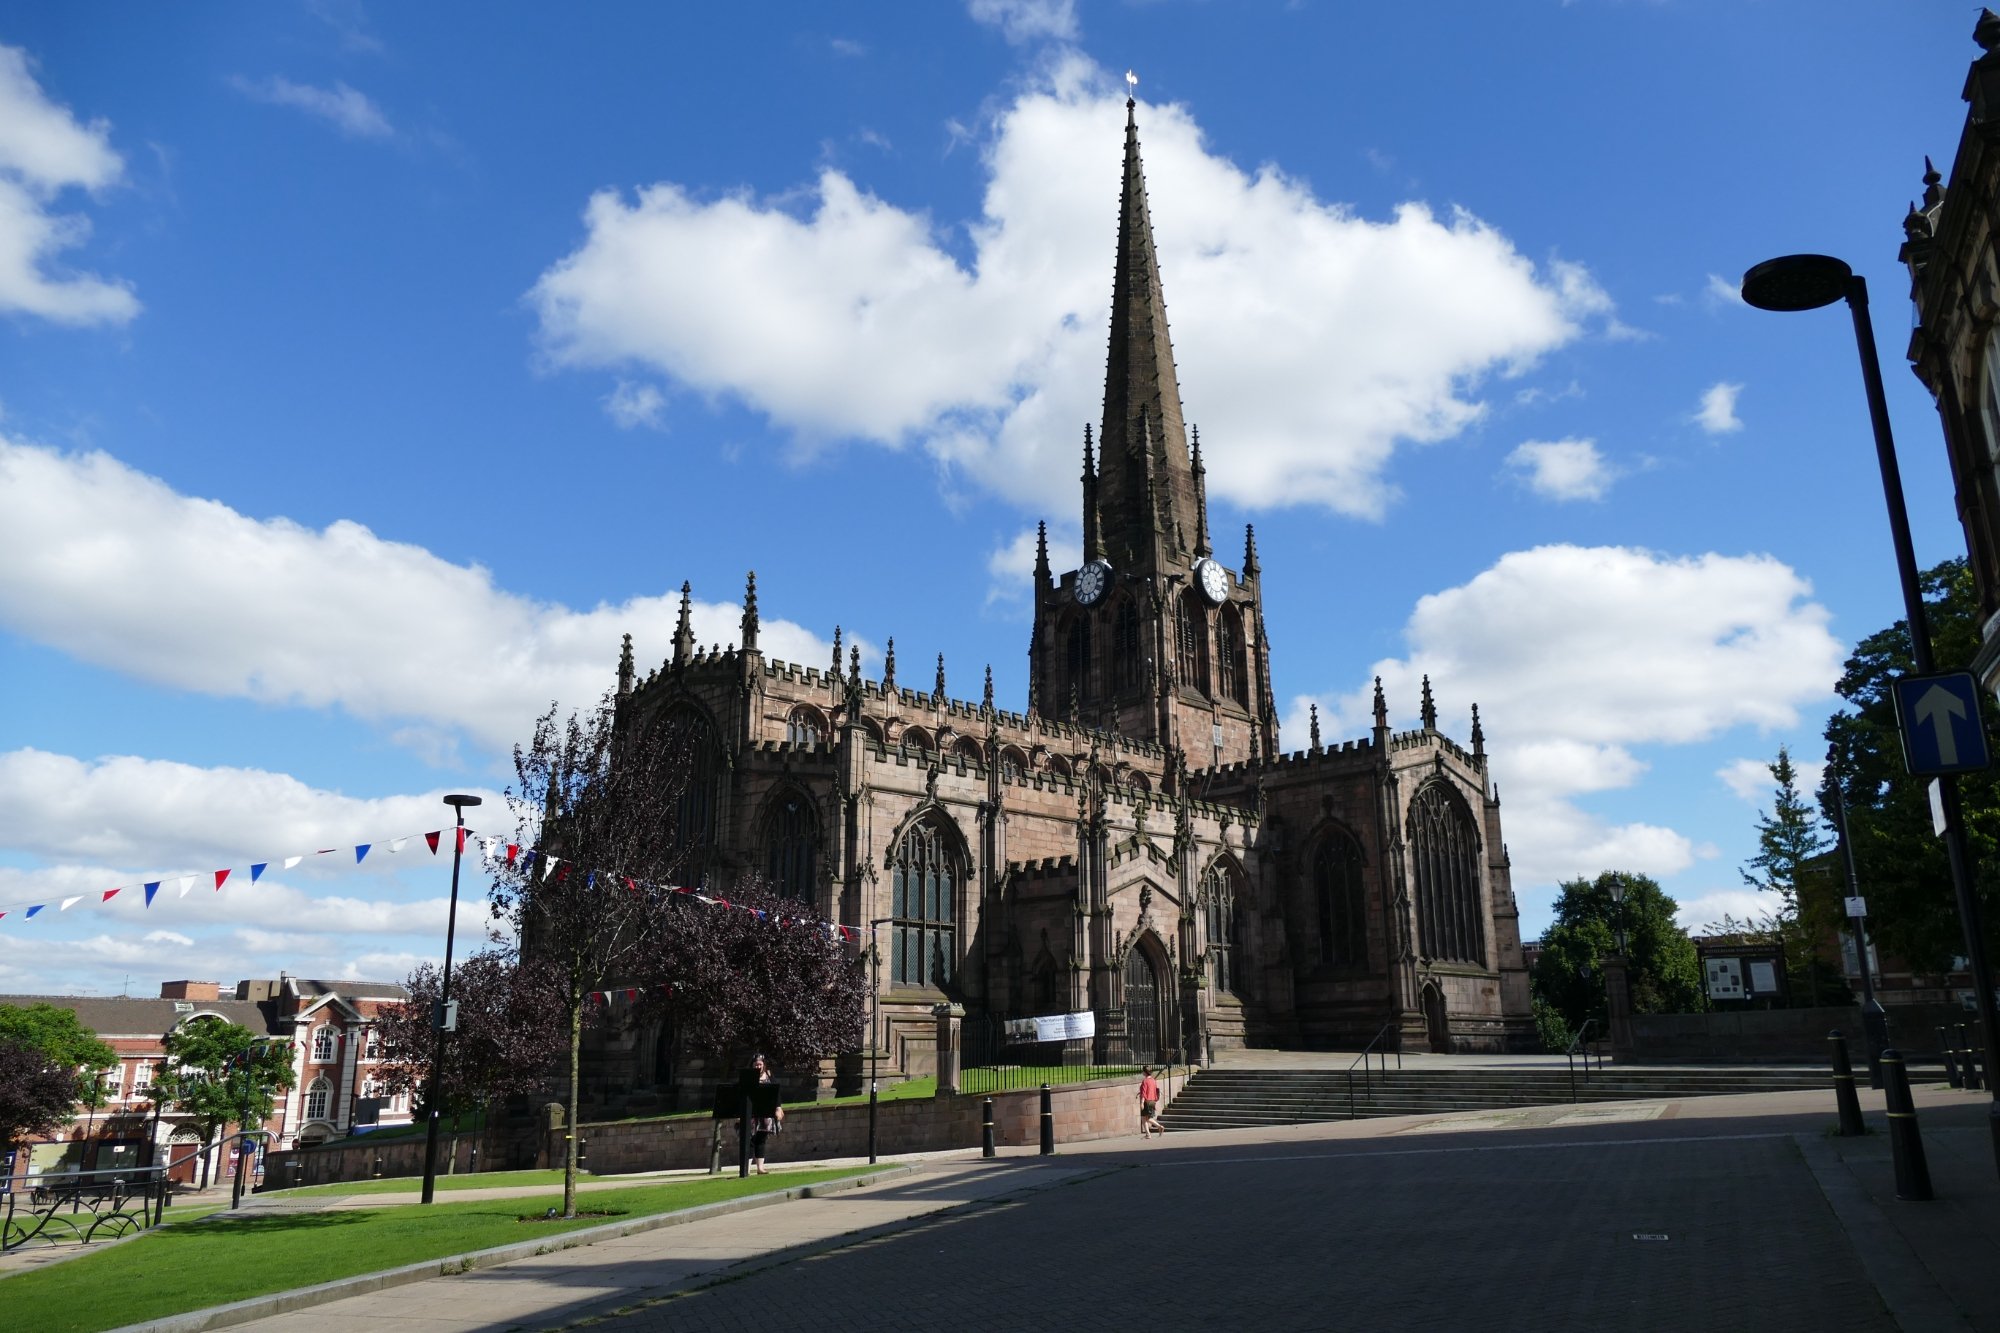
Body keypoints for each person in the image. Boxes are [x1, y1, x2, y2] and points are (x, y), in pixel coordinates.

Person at [748, 1053, 784, 1174]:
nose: (758, 1067)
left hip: (765, 1113)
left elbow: (776, 1092)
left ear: (763, 1065)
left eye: (760, 1064)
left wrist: (778, 1108)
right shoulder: (748, 1076)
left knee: (761, 1140)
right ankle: (745, 1169)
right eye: (756, 1065)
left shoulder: (769, 1075)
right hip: (751, 1113)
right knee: (750, 1140)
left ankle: (760, 1168)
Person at [1138, 1065, 1164, 1138]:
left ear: (1145, 1072)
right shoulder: (1153, 1080)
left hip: (1146, 1101)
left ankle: (1151, 1132)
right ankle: (1150, 1132)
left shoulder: (1145, 1081)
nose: (1142, 1072)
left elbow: (1144, 1093)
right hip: (1152, 1101)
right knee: (1148, 1118)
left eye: (1143, 1071)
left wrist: (1142, 1102)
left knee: (1144, 1118)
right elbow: (1154, 1090)